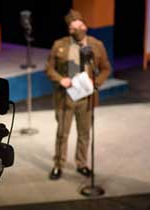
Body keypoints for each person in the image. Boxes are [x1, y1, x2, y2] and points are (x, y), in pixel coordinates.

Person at [46, 10, 111, 180]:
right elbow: (49, 68)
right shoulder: (59, 45)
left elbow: (105, 68)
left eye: (80, 25)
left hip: (86, 98)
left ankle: (81, 164)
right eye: (73, 27)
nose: (78, 29)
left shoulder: (96, 45)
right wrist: (60, 79)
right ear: (69, 29)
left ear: (85, 26)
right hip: (65, 97)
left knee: (84, 134)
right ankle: (58, 164)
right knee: (62, 133)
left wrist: (95, 83)